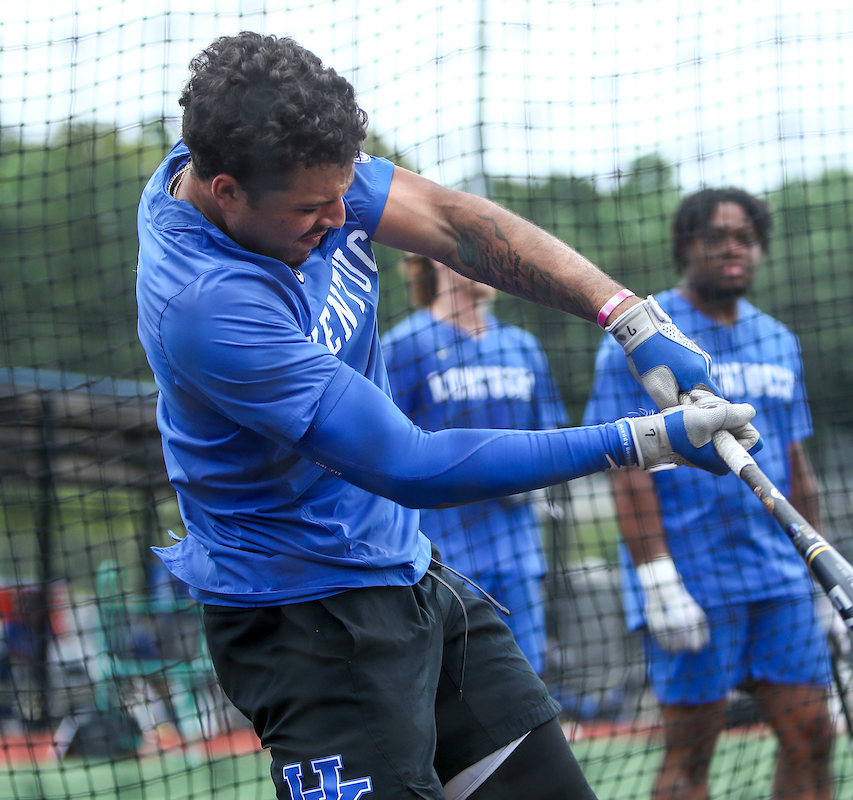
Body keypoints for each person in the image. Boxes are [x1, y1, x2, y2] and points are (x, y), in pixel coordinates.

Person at [135, 32, 759, 800]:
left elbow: (455, 224)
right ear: (226, 190)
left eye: (344, 189)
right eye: (311, 208)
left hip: (409, 576)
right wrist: (642, 439)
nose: (344, 214)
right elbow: (414, 464)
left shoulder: (268, 153)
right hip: (304, 623)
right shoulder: (208, 308)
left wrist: (631, 317)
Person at [583, 188, 834, 800]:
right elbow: (625, 465)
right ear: (686, 246)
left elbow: (795, 461)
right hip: (692, 579)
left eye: (745, 238)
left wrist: (822, 571)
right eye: (716, 237)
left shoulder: (779, 339)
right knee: (690, 758)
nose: (732, 248)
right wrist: (656, 577)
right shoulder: (645, 336)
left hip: (777, 577)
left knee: (813, 736)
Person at [382, 255, 567, 674]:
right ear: (436, 257)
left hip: (519, 553)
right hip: (441, 557)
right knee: (456, 687)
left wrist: (536, 478)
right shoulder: (405, 345)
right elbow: (386, 451)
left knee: (527, 682)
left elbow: (550, 437)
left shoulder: (522, 346)